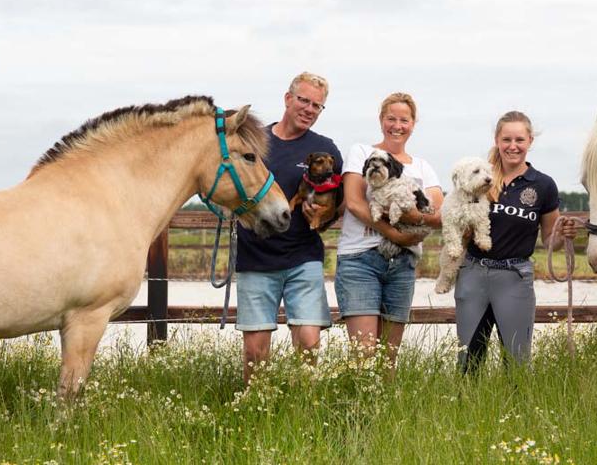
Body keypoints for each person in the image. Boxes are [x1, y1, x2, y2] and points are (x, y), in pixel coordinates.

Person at [236, 72, 343, 384]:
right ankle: (258, 405)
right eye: (304, 100)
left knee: (309, 342)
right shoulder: (255, 142)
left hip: (303, 257)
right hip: (255, 256)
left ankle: (304, 408)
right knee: (255, 353)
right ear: (288, 99)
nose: (309, 109)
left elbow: (336, 204)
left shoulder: (326, 149)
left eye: (317, 106)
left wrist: (323, 215)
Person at [455, 111, 579, 372]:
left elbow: (549, 239)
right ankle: (466, 410)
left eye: (520, 140)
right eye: (507, 139)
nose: (513, 146)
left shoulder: (543, 185)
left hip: (514, 275)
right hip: (474, 272)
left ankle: (517, 410)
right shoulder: (479, 178)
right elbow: (456, 218)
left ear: (530, 141)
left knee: (517, 362)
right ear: (497, 140)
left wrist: (562, 234)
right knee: (468, 360)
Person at [335, 92, 443, 366]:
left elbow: (437, 214)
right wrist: (395, 233)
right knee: (364, 355)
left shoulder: (423, 167)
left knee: (388, 359)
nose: (397, 125)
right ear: (381, 120)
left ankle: (386, 409)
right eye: (391, 118)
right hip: (361, 259)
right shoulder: (362, 152)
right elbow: (355, 203)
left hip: (403, 262)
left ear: (413, 123)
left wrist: (410, 214)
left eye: (404, 120)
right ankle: (360, 408)